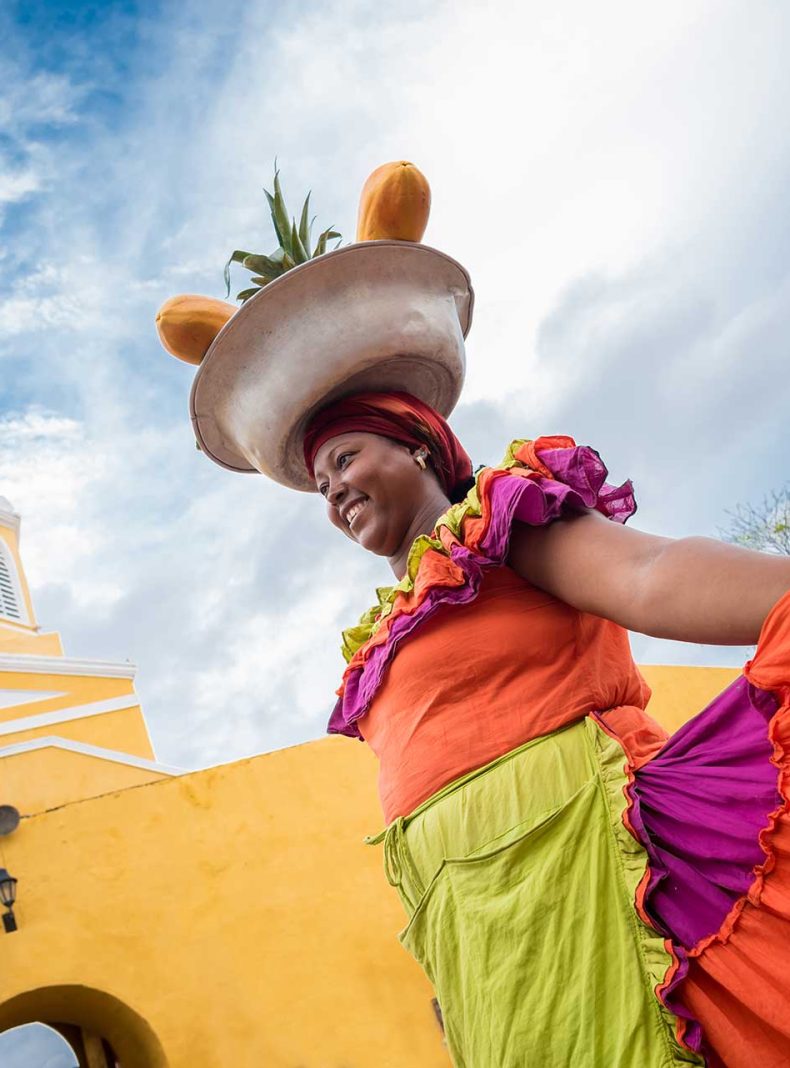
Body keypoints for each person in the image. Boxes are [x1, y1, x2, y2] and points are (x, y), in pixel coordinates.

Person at [187, 238, 790, 1067]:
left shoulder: (497, 530)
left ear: (421, 448)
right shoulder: (380, 642)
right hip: (483, 936)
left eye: (346, 458)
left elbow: (647, 574)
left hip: (594, 868)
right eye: (322, 484)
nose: (334, 491)